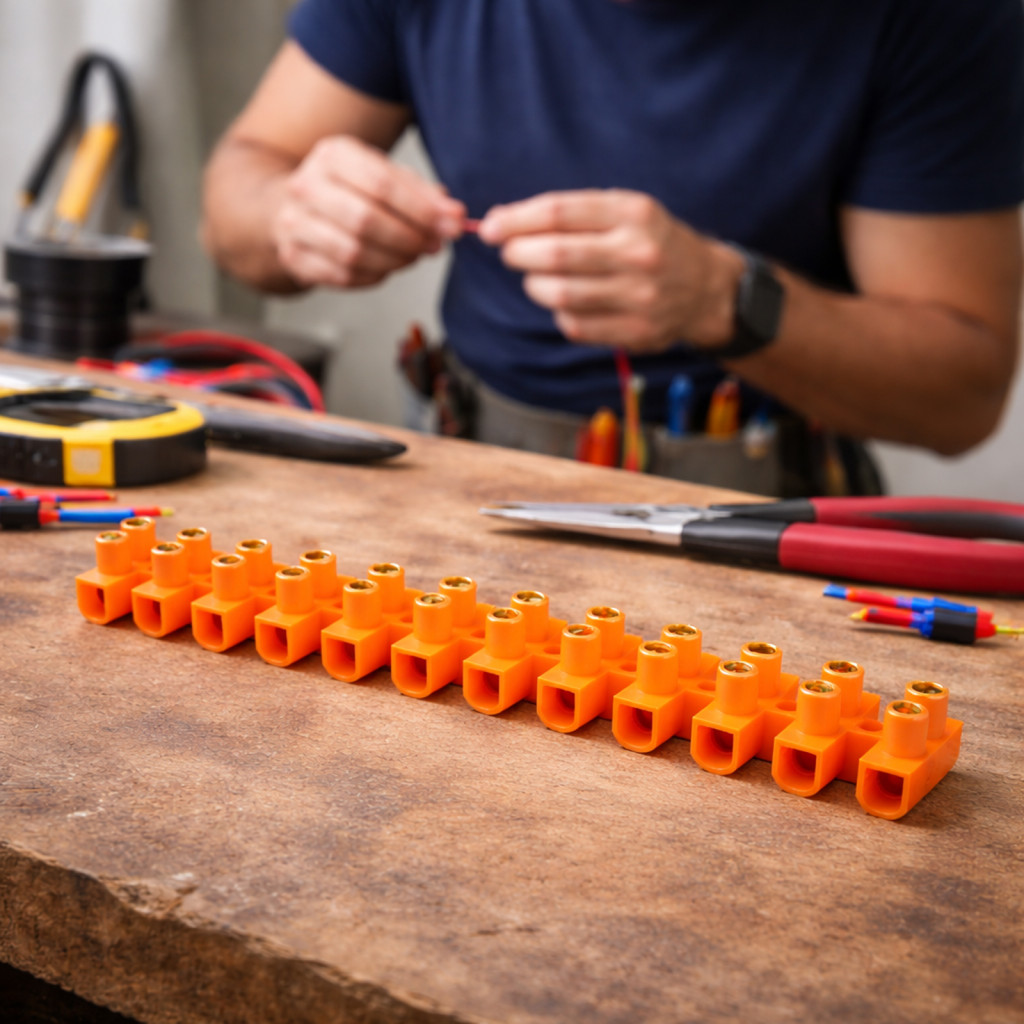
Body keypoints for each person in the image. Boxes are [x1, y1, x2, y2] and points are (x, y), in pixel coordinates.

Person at [202, 0, 1024, 495]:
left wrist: (723, 298)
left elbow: (962, 396)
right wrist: (289, 214)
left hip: (764, 501)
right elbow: (235, 202)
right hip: (463, 466)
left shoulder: (937, 18)